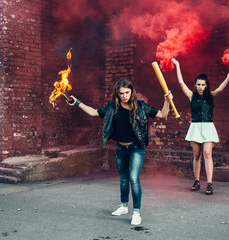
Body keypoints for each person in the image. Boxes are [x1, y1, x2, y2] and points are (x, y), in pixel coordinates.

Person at [68, 78, 173, 225]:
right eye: (121, 93)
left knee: (133, 178)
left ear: (132, 92)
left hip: (136, 148)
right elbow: (93, 112)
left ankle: (136, 212)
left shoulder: (141, 107)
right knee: (123, 178)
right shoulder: (112, 107)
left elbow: (162, 114)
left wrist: (167, 101)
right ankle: (124, 206)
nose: (124, 96)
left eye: (127, 92)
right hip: (121, 148)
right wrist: (77, 102)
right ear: (117, 94)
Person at [172, 58, 229, 195]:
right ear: (195, 85)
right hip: (195, 128)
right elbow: (181, 83)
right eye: (198, 84)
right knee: (196, 155)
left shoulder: (211, 96)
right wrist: (177, 65)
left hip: (207, 127)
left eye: (203, 84)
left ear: (206, 86)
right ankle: (196, 181)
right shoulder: (191, 96)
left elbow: (219, 88)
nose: (200, 86)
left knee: (207, 153)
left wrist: (228, 78)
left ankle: (209, 183)